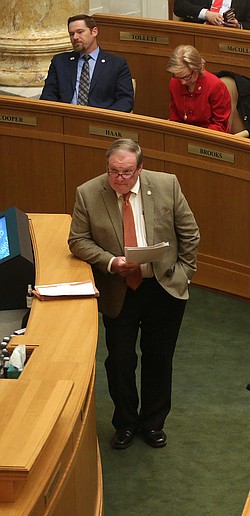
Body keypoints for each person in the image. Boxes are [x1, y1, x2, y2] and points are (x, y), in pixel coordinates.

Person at [68, 139, 200, 450]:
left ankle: (153, 423)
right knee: (120, 360)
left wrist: (183, 273)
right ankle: (125, 422)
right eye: (114, 172)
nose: (120, 179)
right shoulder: (88, 193)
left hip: (162, 287)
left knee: (159, 357)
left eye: (127, 173)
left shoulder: (166, 185)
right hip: (119, 290)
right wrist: (111, 263)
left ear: (140, 169)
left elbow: (190, 233)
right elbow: (77, 240)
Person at [40, 14, 134, 113]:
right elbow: (47, 97)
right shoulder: (59, 62)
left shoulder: (116, 64)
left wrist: (105, 119)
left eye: (80, 32)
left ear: (94, 32)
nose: (75, 37)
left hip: (99, 123)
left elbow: (126, 100)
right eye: (71, 34)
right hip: (66, 120)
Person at [167, 45, 231, 133]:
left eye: (187, 77)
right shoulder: (174, 82)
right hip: (184, 136)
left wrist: (195, 136)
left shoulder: (215, 86)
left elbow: (220, 126)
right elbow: (175, 118)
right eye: (178, 77)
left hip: (211, 138)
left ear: (197, 68)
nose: (183, 82)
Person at [174, 0, 250, 30]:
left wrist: (238, 26)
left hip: (229, 41)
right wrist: (205, 14)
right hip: (198, 35)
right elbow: (179, 6)